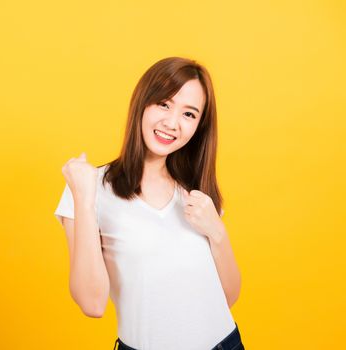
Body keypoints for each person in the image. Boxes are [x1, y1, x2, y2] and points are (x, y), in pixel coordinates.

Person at [54, 57, 245, 350]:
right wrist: (84, 200)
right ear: (142, 104)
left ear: (199, 127)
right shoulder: (90, 188)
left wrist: (217, 232)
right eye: (164, 104)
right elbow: (92, 303)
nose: (172, 123)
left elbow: (228, 296)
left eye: (189, 114)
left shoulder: (197, 193)